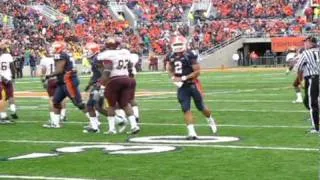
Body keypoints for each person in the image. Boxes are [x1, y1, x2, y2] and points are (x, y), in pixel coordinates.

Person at [167, 35, 217, 140]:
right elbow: (169, 68)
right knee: (186, 109)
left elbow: (197, 71)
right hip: (182, 87)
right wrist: (173, 78)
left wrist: (184, 77)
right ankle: (192, 132)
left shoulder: (189, 55)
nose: (177, 47)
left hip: (193, 84)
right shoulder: (170, 55)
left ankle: (210, 119)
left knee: (201, 107)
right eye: (176, 45)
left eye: (179, 44)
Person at [97, 37, 140, 135]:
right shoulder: (124, 52)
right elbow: (130, 66)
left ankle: (112, 129)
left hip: (114, 80)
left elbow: (107, 70)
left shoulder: (108, 54)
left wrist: (101, 84)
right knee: (125, 104)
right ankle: (134, 126)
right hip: (126, 78)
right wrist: (130, 76)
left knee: (111, 105)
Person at [43, 40, 86, 128]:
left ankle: (94, 121)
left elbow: (60, 70)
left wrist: (48, 76)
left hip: (68, 81)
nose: (52, 49)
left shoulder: (61, 55)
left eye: (54, 47)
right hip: (62, 82)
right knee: (56, 101)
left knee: (78, 103)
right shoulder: (65, 54)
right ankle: (55, 123)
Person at [294, 36, 320, 134]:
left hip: (312, 78)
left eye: (307, 42)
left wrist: (300, 80)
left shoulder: (306, 53)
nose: (305, 44)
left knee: (312, 103)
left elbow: (298, 67)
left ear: (311, 43)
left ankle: (316, 127)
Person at [39, 50, 67, 125]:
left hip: (51, 80)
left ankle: (53, 119)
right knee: (62, 98)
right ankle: (62, 115)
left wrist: (43, 81)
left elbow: (43, 71)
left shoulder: (44, 60)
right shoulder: (59, 58)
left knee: (52, 100)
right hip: (59, 79)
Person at [0, 46, 18, 121]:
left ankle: (3, 115)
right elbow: (12, 67)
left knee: (1, 97)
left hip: (1, 78)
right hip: (8, 78)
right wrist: (13, 77)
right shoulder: (8, 56)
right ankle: (13, 110)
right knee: (10, 95)